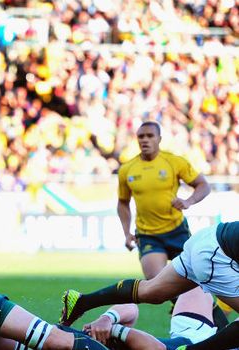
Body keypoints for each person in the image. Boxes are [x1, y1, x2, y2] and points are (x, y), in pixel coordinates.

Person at [59, 220, 239, 350]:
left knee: (151, 291)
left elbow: (130, 310)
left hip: (210, 238)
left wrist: (109, 321)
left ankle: (83, 301)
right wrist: (113, 328)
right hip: (217, 252)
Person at [117, 121, 210, 280]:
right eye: (141, 136)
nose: (145, 140)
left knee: (193, 280)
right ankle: (179, 304)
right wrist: (126, 233)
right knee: (156, 280)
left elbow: (203, 185)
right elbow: (123, 202)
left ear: (159, 139)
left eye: (150, 136)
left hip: (177, 230)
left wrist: (189, 201)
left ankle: (205, 306)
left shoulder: (174, 161)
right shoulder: (127, 169)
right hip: (148, 234)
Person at [61, 287, 218, 349]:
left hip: (189, 331)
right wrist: (115, 329)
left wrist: (107, 318)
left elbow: (131, 307)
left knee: (194, 283)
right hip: (197, 341)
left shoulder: (95, 337)